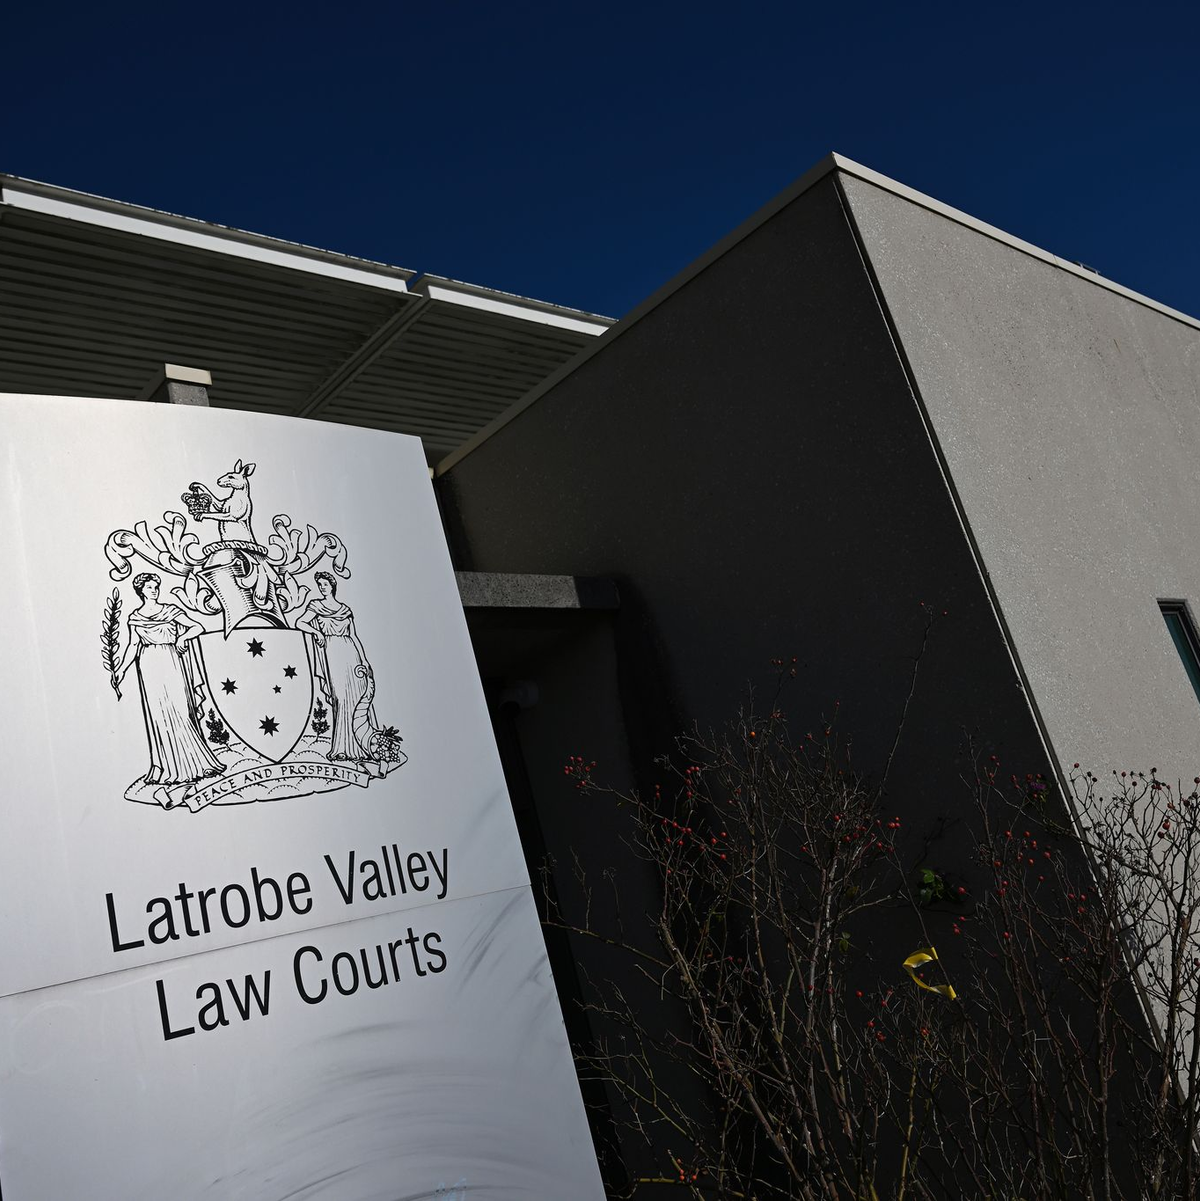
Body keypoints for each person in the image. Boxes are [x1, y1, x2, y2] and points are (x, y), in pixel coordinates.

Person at [115, 572, 224, 786]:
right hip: (148, 665)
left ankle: (197, 763)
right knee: (157, 715)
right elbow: (133, 646)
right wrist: (121, 669)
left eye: (156, 586)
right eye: (149, 587)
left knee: (180, 711)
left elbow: (198, 626)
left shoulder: (170, 610)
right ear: (141, 591)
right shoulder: (135, 617)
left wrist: (182, 637)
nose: (154, 590)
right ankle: (163, 766)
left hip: (171, 660)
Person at [295, 571, 376, 761]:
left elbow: (354, 636)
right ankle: (341, 747)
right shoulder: (316, 605)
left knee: (356, 698)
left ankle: (360, 746)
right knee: (340, 698)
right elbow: (300, 622)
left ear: (332, 586)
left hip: (351, 654)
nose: (322, 587)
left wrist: (364, 660)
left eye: (325, 584)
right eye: (319, 585)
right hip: (332, 652)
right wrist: (317, 632)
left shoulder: (345, 609)